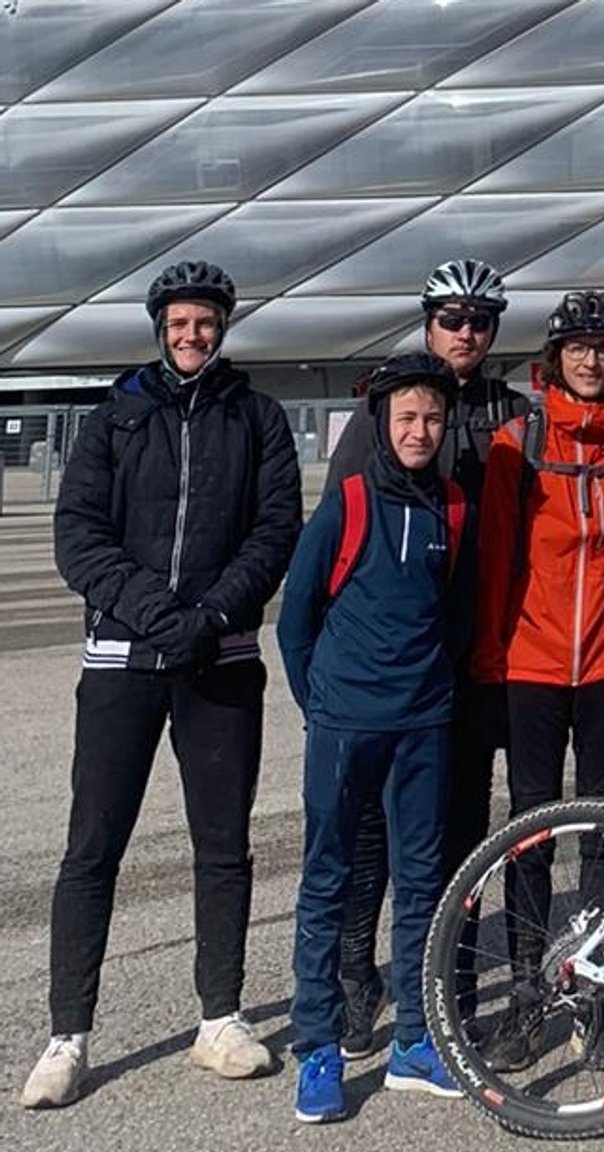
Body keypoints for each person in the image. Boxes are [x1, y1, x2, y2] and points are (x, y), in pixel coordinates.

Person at [27, 261, 300, 1109]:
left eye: (206, 322)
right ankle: (68, 1033)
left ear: (223, 326)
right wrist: (155, 611)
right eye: (180, 323)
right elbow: (79, 535)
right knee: (92, 848)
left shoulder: (256, 418)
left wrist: (211, 614)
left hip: (219, 664)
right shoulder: (118, 418)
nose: (192, 336)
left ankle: (219, 1017)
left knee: (222, 846)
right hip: (122, 662)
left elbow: (275, 528)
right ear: (160, 327)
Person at [468, 291, 604, 1074]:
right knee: (528, 833)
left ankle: (594, 992)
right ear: (553, 357)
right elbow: (495, 562)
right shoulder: (517, 442)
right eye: (577, 347)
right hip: (530, 662)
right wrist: (491, 667)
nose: (591, 360)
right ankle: (528, 995)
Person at [323, 259, 529, 1060]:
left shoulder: (516, 415)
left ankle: (449, 989)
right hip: (399, 654)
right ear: (428, 322)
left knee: (460, 832)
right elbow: (337, 531)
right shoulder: (387, 408)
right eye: (452, 318)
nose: (466, 333)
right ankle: (353, 981)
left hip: (481, 651)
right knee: (370, 827)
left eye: (480, 320)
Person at [276, 353, 471, 1122]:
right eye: (406, 420)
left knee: (422, 883)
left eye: (430, 419)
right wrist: (321, 703)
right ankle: (319, 1048)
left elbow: (453, 614)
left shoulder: (453, 509)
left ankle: (415, 1043)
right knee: (326, 881)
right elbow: (295, 622)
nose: (419, 432)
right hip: (345, 723)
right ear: (381, 427)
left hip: (423, 723)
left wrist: (432, 689)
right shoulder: (348, 504)